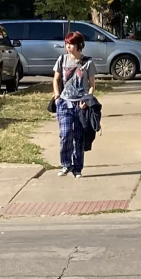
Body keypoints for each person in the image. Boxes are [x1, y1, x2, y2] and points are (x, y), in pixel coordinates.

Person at [53, 31, 96, 178]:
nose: (68, 47)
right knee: (65, 135)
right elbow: (56, 79)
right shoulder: (62, 59)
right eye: (67, 44)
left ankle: (77, 169)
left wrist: (87, 100)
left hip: (80, 105)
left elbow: (92, 85)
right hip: (64, 104)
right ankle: (66, 164)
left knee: (78, 138)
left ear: (79, 45)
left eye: (71, 44)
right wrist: (57, 96)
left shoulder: (88, 62)